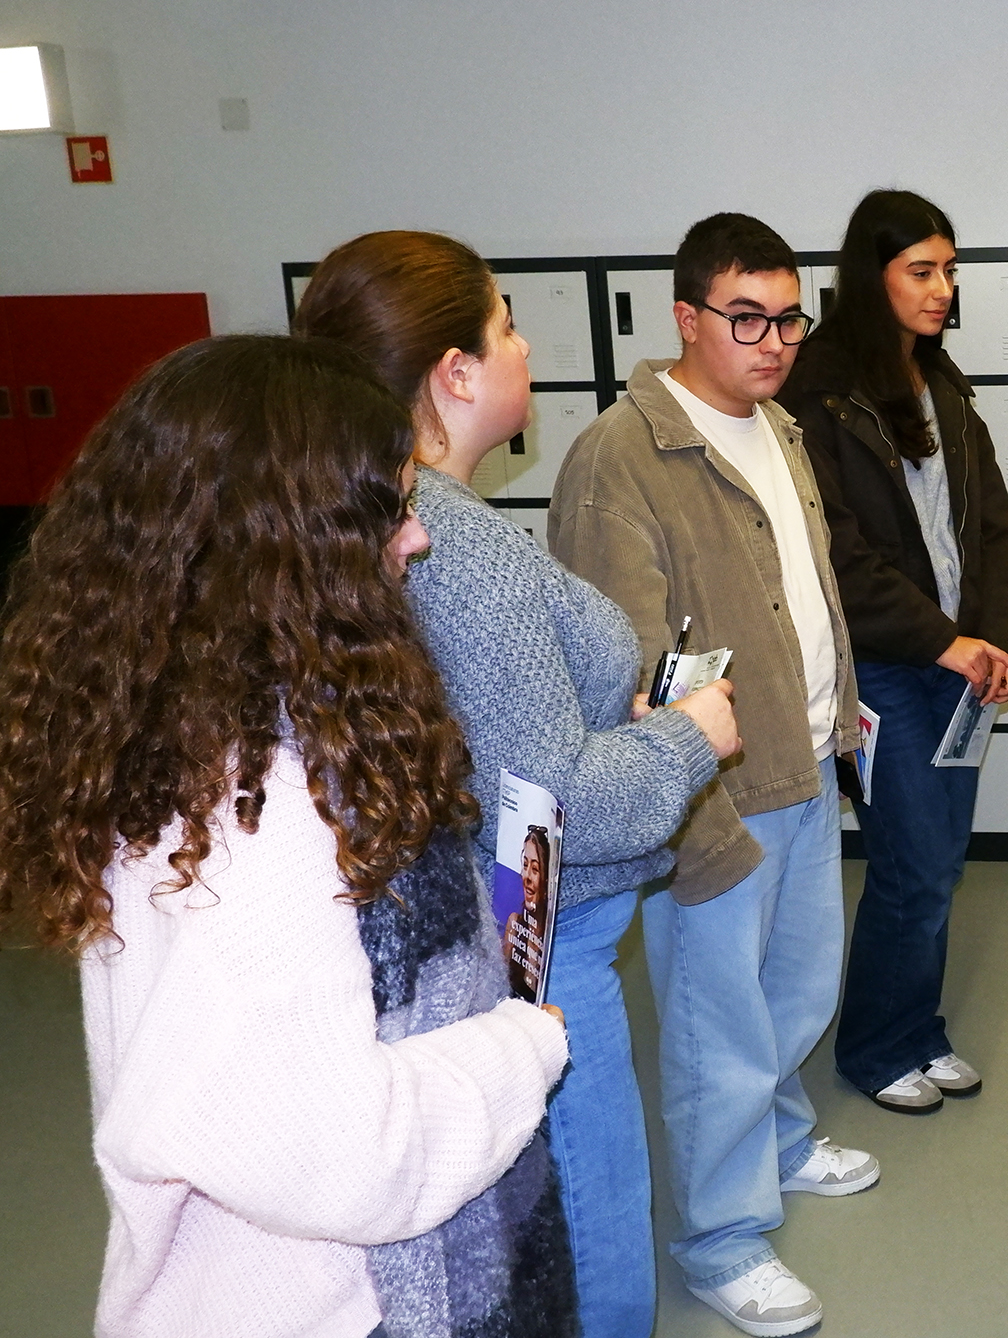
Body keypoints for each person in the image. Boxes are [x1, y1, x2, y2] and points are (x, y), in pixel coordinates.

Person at [0, 335, 574, 1337]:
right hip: (333, 1306)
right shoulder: (251, 819)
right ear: (291, 543)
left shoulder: (185, 731)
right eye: (393, 509)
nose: (416, 539)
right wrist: (524, 1043)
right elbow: (350, 1157)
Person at [295, 230, 737, 1338]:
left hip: (487, 929)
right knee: (594, 1245)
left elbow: (496, 745)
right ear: (454, 372)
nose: (525, 346)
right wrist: (690, 739)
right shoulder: (457, 545)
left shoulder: (391, 518)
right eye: (505, 325)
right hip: (546, 943)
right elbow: (550, 803)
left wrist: (607, 717)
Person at [549, 212, 868, 1338]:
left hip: (805, 756)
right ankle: (723, 1237)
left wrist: (840, 705)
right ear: (686, 317)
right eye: (746, 319)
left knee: (794, 990)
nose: (774, 342)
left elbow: (802, 589)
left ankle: (780, 1140)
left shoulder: (776, 425)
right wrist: (683, 793)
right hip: (709, 788)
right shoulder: (621, 454)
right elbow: (620, 662)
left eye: (789, 319)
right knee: (714, 1019)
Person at [777, 189, 1008, 1115]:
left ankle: (919, 1029)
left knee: (940, 862)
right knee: (911, 862)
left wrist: (995, 640)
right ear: (869, 275)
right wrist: (946, 640)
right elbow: (839, 555)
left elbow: (991, 527)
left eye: (949, 271)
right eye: (921, 271)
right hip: (886, 666)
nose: (942, 289)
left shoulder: (942, 385)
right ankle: (875, 1048)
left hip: (959, 663)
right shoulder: (820, 390)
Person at [505, 826, 553, 1000]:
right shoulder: (515, 925)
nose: (527, 877)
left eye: (535, 869)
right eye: (525, 865)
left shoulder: (551, 933)